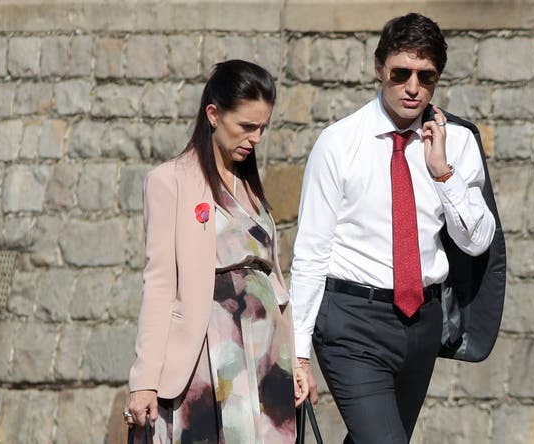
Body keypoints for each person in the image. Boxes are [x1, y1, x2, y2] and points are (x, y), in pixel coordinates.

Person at [289, 13, 504, 443]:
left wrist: (443, 173)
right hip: (351, 322)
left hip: (422, 322)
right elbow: (311, 253)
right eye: (400, 73)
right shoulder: (339, 143)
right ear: (378, 69)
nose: (412, 87)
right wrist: (296, 353)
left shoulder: (456, 141)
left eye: (426, 77)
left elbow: (478, 242)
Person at [123, 59, 308, 443]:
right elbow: (159, 285)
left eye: (262, 128)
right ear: (213, 114)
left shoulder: (250, 186)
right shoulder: (169, 181)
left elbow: (274, 281)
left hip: (267, 354)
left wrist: (298, 361)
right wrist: (143, 381)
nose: (255, 138)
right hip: (208, 356)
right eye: (246, 126)